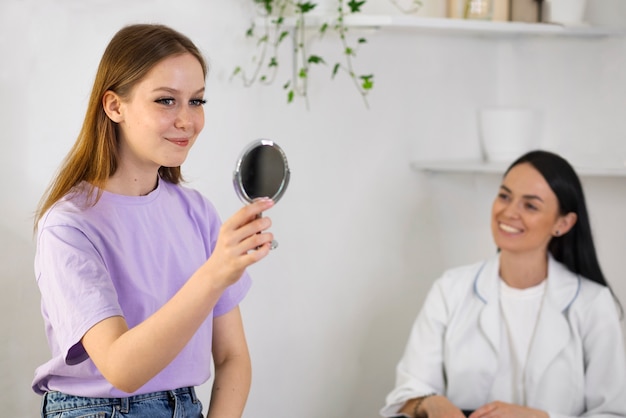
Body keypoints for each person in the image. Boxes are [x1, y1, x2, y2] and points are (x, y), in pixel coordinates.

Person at [32, 23, 275, 417]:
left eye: (196, 101)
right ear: (114, 106)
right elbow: (121, 368)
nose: (187, 120)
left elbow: (233, 357)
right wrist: (215, 273)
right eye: (166, 100)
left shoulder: (197, 212)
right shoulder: (68, 226)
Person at [381, 150, 626, 418]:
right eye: (505, 196)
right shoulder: (450, 289)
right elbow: (407, 391)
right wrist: (428, 403)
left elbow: (613, 413)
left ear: (563, 223)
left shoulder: (592, 304)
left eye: (530, 205)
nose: (509, 212)